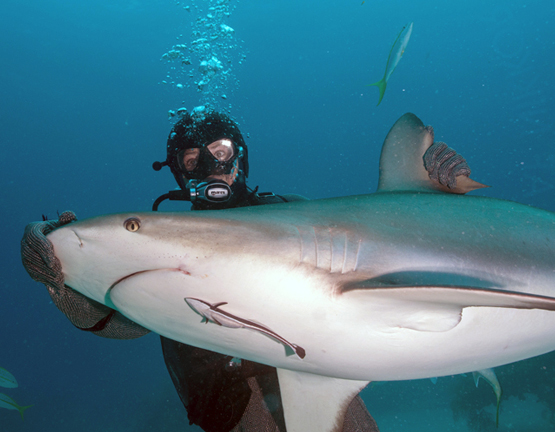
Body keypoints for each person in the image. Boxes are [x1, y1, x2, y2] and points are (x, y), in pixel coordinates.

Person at [21, 108, 477, 432]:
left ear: (240, 156)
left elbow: (383, 246)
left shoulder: (295, 214)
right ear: (179, 173)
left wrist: (432, 199)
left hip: (315, 373)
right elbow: (124, 324)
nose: (210, 167)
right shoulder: (157, 256)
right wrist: (68, 279)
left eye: (219, 151)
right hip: (226, 407)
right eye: (192, 160)